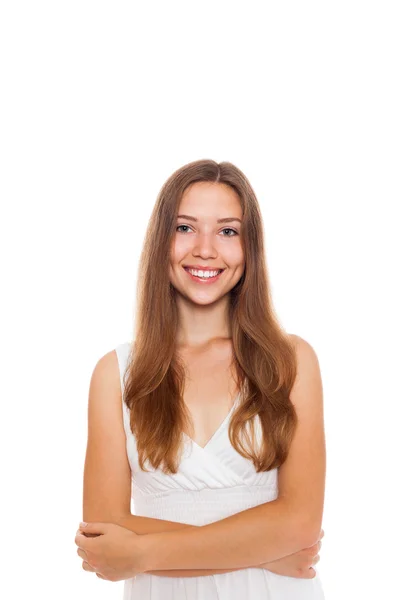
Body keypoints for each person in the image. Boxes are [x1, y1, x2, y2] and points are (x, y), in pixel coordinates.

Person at [75, 158, 326, 599]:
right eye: (185, 228)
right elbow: (105, 534)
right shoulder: (115, 374)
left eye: (227, 231)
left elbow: (300, 522)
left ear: (250, 247)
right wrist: (265, 551)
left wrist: (143, 551)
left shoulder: (291, 362)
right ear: (161, 242)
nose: (205, 249)